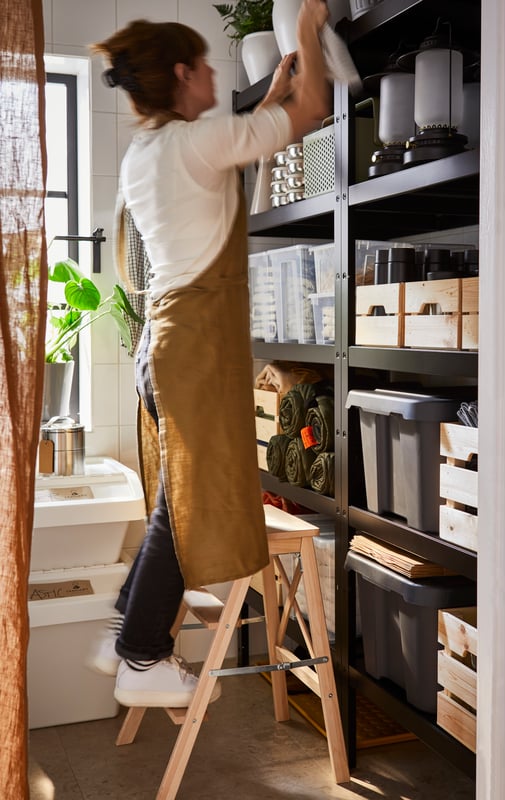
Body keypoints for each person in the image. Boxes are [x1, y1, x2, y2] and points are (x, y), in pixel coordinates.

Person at [88, 1, 332, 708]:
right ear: (181, 74)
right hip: (192, 348)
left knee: (175, 495)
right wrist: (310, 30)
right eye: (206, 66)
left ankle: (121, 627)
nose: (215, 76)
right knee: (187, 506)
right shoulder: (200, 143)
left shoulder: (152, 152)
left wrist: (280, 82)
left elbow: (272, 120)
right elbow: (314, 110)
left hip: (163, 343)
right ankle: (141, 656)